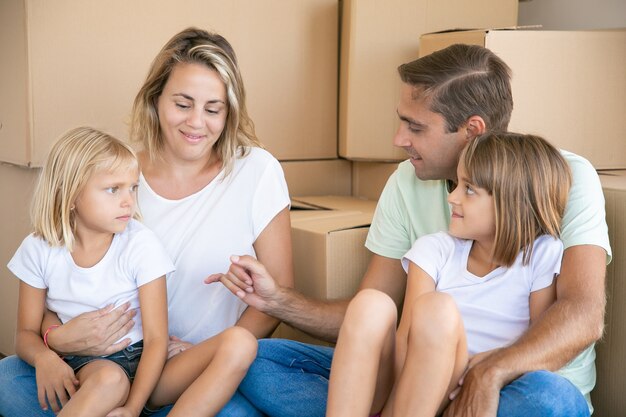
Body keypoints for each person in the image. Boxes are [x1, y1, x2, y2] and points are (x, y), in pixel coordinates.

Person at [210, 44, 611, 417]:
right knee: (252, 359)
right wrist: (278, 301)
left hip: (517, 384)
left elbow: (582, 314)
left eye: (415, 128)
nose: (398, 140)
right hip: (415, 374)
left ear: (472, 130)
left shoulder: (563, 177)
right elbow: (370, 315)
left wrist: (488, 373)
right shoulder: (407, 183)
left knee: (548, 400)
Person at [0, 27, 293, 417]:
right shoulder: (118, 176)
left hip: (192, 364)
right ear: (155, 100)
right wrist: (58, 339)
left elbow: (277, 296)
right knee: (7, 381)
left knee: (244, 391)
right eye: (183, 103)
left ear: (230, 111)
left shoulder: (257, 170)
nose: (196, 122)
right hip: (96, 363)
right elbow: (60, 281)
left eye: (213, 108)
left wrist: (210, 352)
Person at [327, 132, 572, 417]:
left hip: (474, 389)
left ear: (512, 202)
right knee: (371, 303)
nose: (452, 197)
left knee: (548, 394)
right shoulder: (435, 249)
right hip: (408, 387)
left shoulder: (542, 254)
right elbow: (406, 346)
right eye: (457, 184)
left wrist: (487, 368)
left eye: (469, 189)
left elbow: (536, 347)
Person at [9, 127, 174, 416]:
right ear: (71, 195)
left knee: (234, 348)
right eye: (114, 189)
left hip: (140, 359)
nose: (129, 201)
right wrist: (45, 360)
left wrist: (134, 407)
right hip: (83, 363)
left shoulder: (140, 244)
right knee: (107, 379)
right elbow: (24, 334)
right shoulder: (38, 248)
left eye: (133, 187)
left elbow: (158, 338)